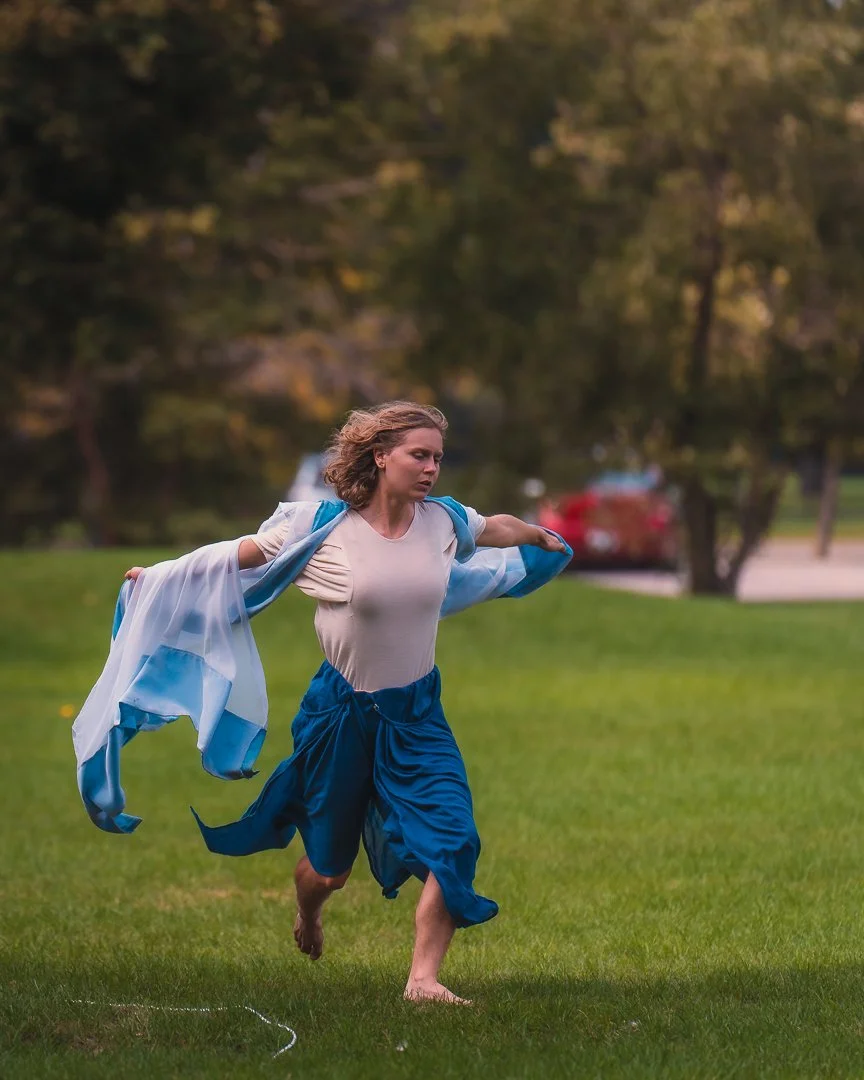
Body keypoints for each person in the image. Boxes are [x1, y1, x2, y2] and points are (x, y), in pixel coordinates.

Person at [77, 401, 569, 1006]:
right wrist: (156, 577)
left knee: (454, 839)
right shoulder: (321, 525)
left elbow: (492, 526)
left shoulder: (444, 521)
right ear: (381, 455)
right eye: (419, 454)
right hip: (341, 712)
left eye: (437, 457)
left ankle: (422, 981)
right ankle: (309, 914)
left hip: (416, 714)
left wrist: (536, 536)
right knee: (329, 869)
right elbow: (238, 554)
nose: (430, 468)